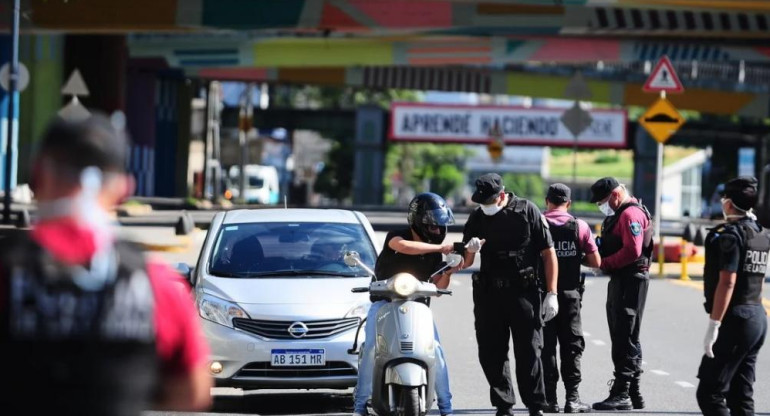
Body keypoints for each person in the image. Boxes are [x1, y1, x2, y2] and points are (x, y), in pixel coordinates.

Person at [0, 115, 212, 415]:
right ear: (124, 190)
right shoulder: (155, 283)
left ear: (37, 177)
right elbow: (193, 392)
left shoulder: (8, 273)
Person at [353, 192, 461, 416]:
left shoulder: (434, 255)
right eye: (432, 226)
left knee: (437, 351)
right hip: (383, 304)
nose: (438, 231)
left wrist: (450, 269)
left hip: (418, 307)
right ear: (418, 221)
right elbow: (404, 247)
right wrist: (441, 249)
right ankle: (360, 404)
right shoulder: (396, 236)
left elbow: (438, 287)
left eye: (440, 227)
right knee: (372, 347)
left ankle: (446, 407)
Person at [462, 173, 559, 416]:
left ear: (502, 196)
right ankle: (504, 404)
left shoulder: (527, 211)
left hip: (523, 292)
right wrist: (470, 251)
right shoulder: (476, 217)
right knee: (491, 351)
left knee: (529, 351)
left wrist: (552, 293)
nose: (486, 208)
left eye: (489, 202)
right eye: (482, 204)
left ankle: (535, 404)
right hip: (489, 294)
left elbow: (548, 254)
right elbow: (465, 261)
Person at [697, 176, 769, 415]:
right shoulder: (760, 234)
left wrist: (714, 324)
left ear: (728, 203)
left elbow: (728, 282)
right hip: (757, 317)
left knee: (710, 392)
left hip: (735, 319)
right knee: (740, 394)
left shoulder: (731, 236)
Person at [589, 177, 653, 411]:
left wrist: (605, 263)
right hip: (624, 279)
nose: (602, 206)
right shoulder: (624, 213)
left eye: (603, 201)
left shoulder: (629, 215)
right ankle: (633, 391)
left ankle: (622, 392)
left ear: (616, 194)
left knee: (624, 334)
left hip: (630, 279)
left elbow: (633, 251)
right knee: (628, 334)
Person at [541, 184, 601, 413]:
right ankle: (572, 399)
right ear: (569, 203)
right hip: (570, 296)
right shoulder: (580, 227)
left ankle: (549, 399)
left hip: (542, 295)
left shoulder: (538, 224)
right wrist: (576, 259)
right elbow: (596, 262)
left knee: (546, 347)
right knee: (572, 346)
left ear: (547, 201)